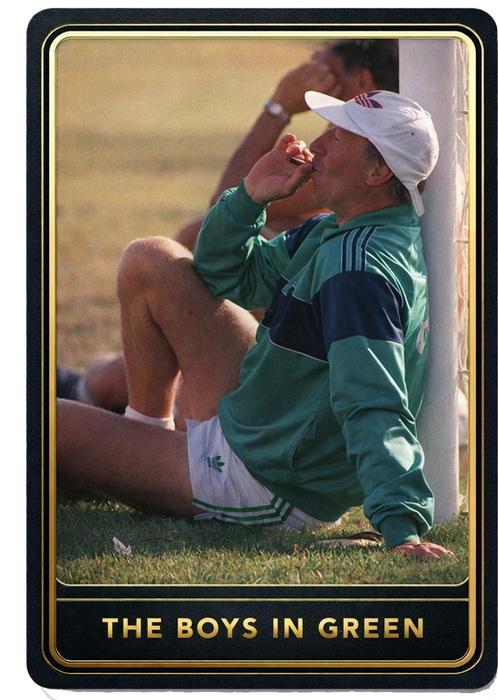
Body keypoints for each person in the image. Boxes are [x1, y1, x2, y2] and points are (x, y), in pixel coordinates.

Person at [57, 88, 454, 561]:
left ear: (377, 172)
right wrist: (250, 197)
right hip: (262, 426)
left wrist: (401, 527)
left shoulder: (358, 271)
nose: (317, 145)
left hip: (268, 482)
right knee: (151, 259)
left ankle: (143, 465)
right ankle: (146, 448)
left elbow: (372, 403)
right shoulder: (342, 229)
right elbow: (226, 274)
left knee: (46, 422)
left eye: (337, 138)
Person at [57, 39, 400, 413]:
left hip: (286, 397)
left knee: (103, 391)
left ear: (362, 81)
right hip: (293, 375)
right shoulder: (383, 158)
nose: (307, 72)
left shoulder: (362, 164)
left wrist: (279, 107)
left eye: (322, 68)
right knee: (186, 251)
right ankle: (97, 391)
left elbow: (225, 200)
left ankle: (96, 392)